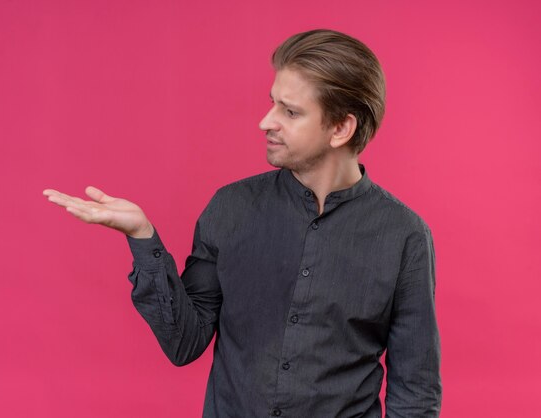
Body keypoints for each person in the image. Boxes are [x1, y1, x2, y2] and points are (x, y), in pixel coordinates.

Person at [43, 29, 441, 417]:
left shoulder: (404, 236)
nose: (265, 122)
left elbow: (415, 390)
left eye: (290, 111)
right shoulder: (231, 207)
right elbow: (185, 342)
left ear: (341, 128)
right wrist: (142, 237)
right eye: (273, 103)